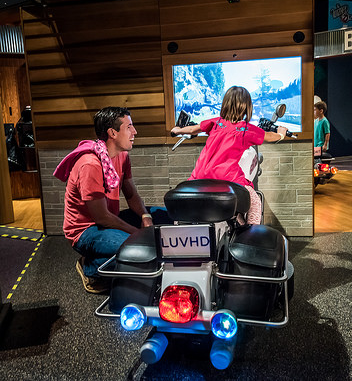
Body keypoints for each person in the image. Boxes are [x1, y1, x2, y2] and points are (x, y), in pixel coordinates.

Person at [54, 107, 172, 294]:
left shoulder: (122, 155)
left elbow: (131, 194)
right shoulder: (90, 164)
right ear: (113, 133)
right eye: (129, 127)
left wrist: (145, 217)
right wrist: (139, 234)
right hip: (86, 230)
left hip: (108, 219)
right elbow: (101, 218)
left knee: (166, 218)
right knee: (139, 250)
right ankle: (90, 268)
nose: (135, 132)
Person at [171, 86, 288, 225]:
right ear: (247, 107)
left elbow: (192, 129)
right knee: (255, 201)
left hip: (199, 176)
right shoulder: (246, 129)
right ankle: (251, 232)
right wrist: (281, 134)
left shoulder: (216, 122)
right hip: (227, 178)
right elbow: (269, 136)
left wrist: (177, 130)